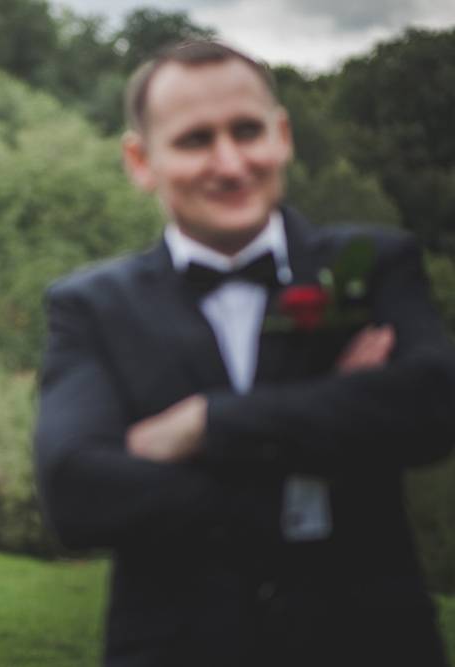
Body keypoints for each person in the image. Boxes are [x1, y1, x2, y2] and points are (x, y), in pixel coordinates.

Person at [34, 40, 455, 667]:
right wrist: (331, 424)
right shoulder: (90, 305)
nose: (230, 164)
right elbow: (75, 494)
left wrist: (207, 423)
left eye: (248, 131)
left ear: (282, 135)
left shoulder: (372, 262)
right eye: (195, 140)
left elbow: (432, 407)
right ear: (141, 161)